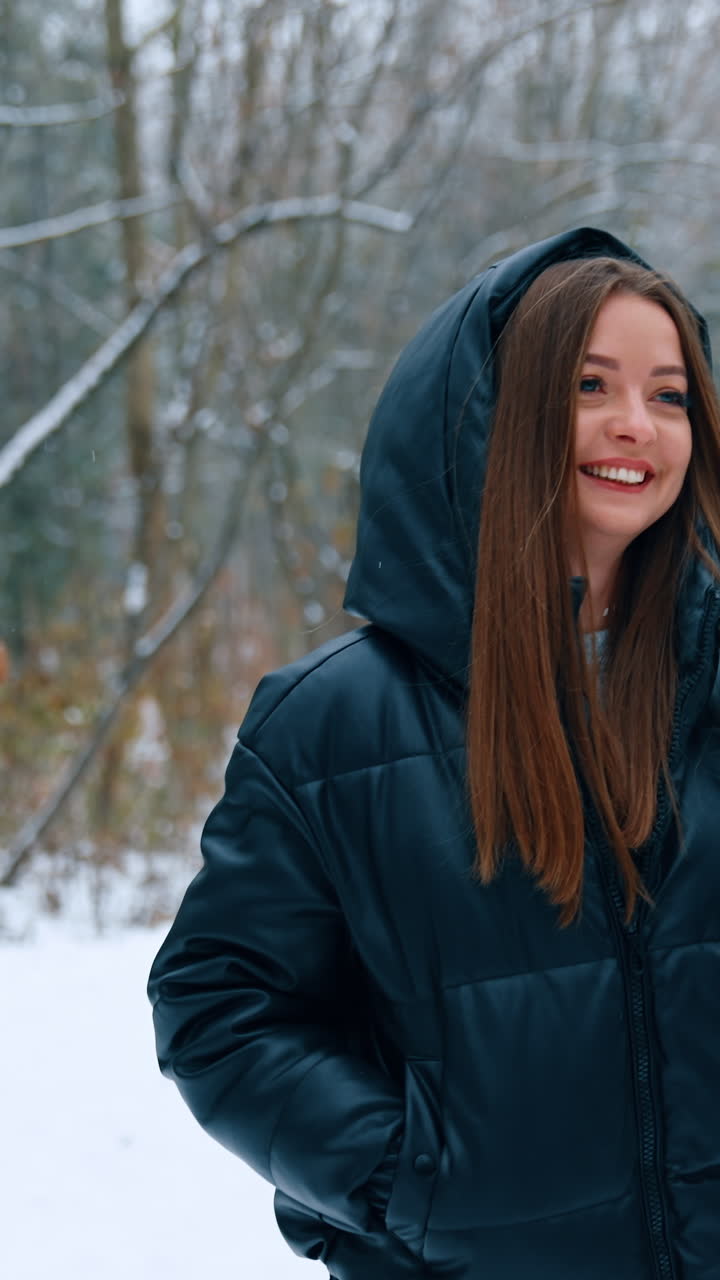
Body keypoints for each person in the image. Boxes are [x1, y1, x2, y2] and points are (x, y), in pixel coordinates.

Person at [148, 227, 720, 1280]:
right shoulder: (332, 725)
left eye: (672, 393)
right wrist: (405, 1177)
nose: (636, 424)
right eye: (590, 385)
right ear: (489, 416)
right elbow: (220, 1004)